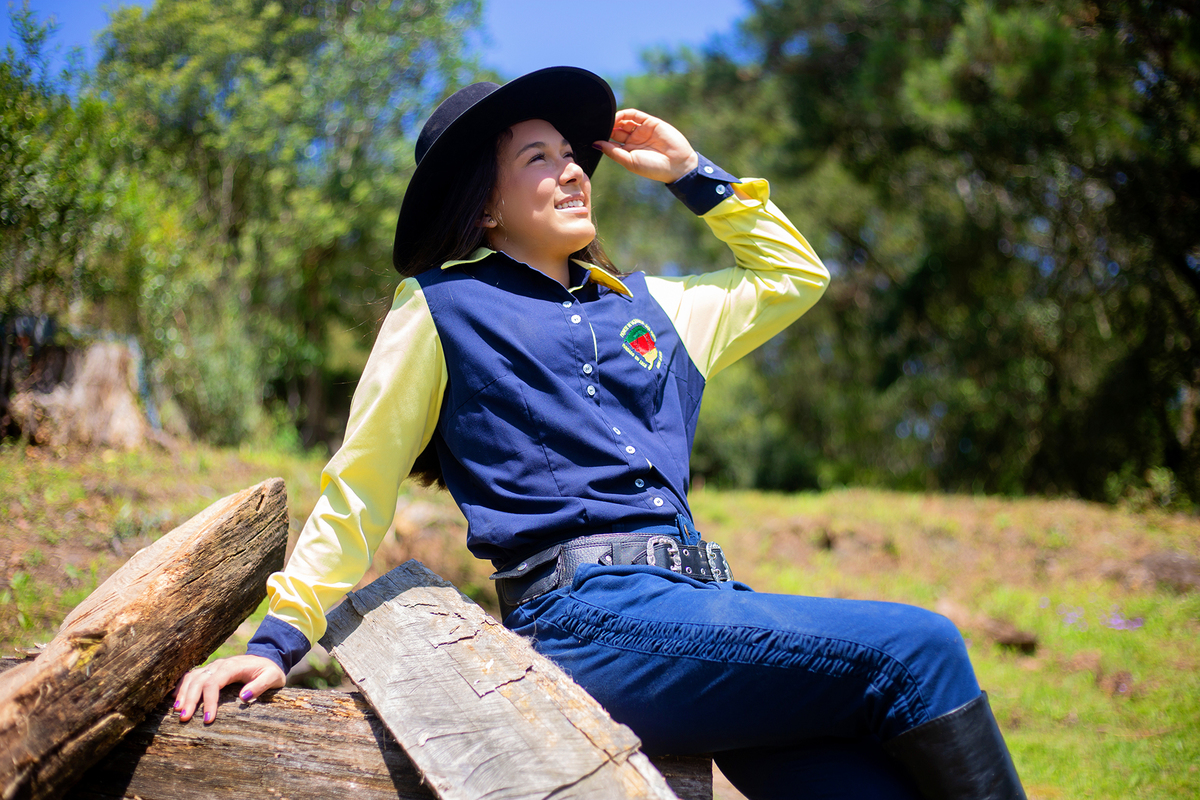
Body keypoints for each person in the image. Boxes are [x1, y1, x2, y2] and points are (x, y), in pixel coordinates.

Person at [173, 67, 1026, 800]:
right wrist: (279, 640)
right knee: (921, 649)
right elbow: (358, 486)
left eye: (572, 154)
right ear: (485, 206)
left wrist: (691, 174)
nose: (573, 169)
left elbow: (794, 276)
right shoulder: (440, 309)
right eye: (537, 159)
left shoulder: (654, 309)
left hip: (706, 614)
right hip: (582, 623)